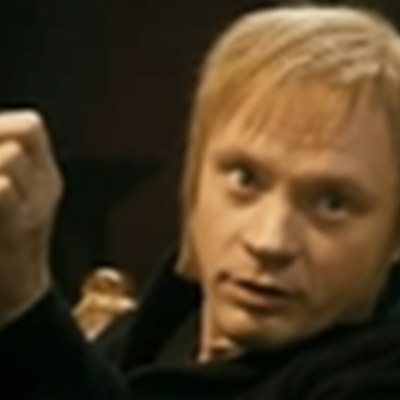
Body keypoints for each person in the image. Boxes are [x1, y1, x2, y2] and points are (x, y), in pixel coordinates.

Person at [2, 4, 400, 399]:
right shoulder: (166, 324)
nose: (269, 241)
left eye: (332, 203)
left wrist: (25, 306)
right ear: (193, 179)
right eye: (245, 178)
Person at [73, 267, 137, 341]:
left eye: (110, 285)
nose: (104, 285)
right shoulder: (85, 305)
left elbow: (132, 308)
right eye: (97, 285)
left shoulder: (124, 305)